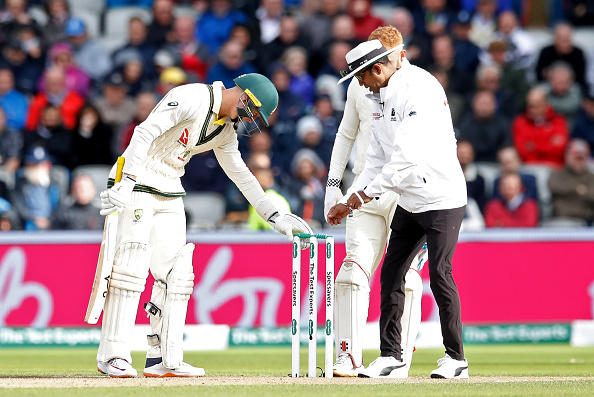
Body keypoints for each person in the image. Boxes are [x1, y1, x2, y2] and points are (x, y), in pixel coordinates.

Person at [95, 73, 313, 378]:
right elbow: (144, 133)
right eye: (252, 110)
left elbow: (242, 175)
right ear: (244, 95)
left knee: (176, 273)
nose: (250, 119)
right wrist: (126, 181)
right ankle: (113, 355)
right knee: (131, 266)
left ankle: (163, 358)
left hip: (170, 187)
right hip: (137, 181)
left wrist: (274, 217)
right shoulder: (192, 96)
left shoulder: (225, 131)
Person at [328, 37, 469, 379]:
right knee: (392, 274)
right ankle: (391, 357)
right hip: (408, 198)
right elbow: (376, 157)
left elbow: (404, 160)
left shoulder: (419, 88)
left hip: (441, 196)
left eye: (361, 78)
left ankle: (456, 360)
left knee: (440, 273)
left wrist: (359, 199)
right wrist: (348, 198)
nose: (359, 86)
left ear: (377, 69)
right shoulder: (378, 92)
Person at [323, 26, 428, 378]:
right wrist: (333, 186)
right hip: (365, 188)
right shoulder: (359, 83)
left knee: (408, 278)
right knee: (352, 272)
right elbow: (345, 134)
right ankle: (347, 357)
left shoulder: (418, 85)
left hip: (408, 193)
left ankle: (399, 359)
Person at [548, 138, 594, 225]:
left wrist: (568, 193)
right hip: (563, 219)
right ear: (567, 156)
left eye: (581, 158)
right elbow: (554, 186)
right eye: (576, 157)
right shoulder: (557, 173)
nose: (578, 161)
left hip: (587, 220)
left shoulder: (591, 177)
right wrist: (577, 189)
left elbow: (592, 195)